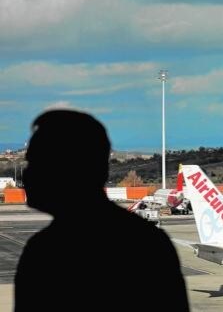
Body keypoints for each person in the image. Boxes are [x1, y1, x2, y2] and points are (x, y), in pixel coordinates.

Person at [14, 110, 189, 311]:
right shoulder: (150, 244)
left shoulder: (45, 252)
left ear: (67, 170)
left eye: (35, 163)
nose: (26, 175)